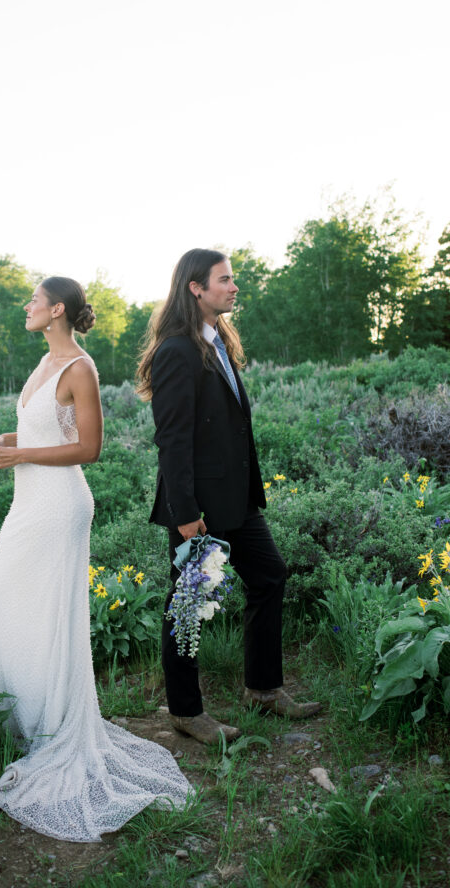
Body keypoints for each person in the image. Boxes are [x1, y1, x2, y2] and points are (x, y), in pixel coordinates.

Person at [0, 276, 190, 842]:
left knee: (44, 615)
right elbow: (44, 429)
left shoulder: (80, 367)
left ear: (57, 311)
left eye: (33, 300)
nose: (26, 306)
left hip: (60, 507)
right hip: (29, 502)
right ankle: (23, 723)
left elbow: (89, 448)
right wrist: (7, 441)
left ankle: (52, 730)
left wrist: (21, 452)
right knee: (4, 606)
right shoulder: (43, 363)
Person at [137, 249, 321, 745]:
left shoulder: (215, 341)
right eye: (225, 280)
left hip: (237, 500)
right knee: (190, 603)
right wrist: (185, 515)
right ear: (196, 288)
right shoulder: (177, 350)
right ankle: (185, 711)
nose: (234, 287)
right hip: (199, 508)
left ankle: (262, 689)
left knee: (269, 577)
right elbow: (172, 441)